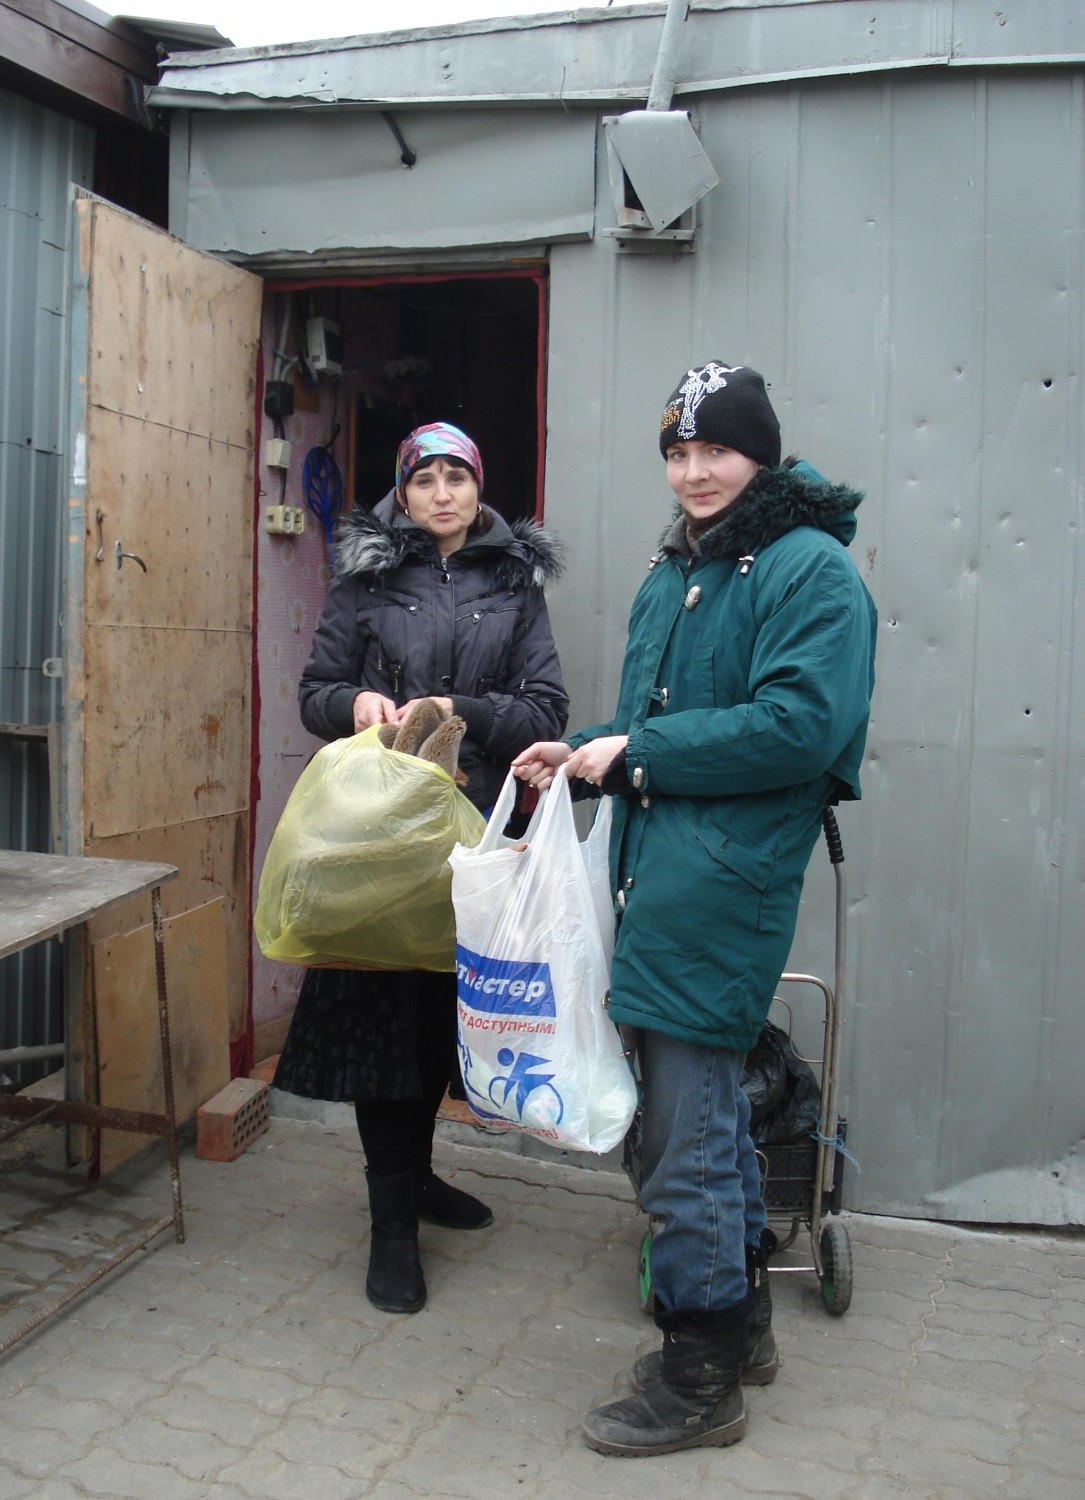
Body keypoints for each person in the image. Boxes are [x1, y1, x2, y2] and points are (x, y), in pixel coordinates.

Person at [512, 361, 876, 1457]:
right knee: (688, 1123)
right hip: (656, 876)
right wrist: (581, 754)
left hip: (722, 885)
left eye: (715, 449)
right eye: (676, 452)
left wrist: (636, 753)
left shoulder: (808, 571)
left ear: (759, 452)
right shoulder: (679, 568)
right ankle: (742, 1330)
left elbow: (799, 729)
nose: (693, 471)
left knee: (689, 1139)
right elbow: (651, 722)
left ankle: (701, 1379)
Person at [275, 420, 569, 1315]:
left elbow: (546, 706)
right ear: (401, 492)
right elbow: (315, 693)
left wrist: (461, 708)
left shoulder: (514, 583)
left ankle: (423, 1176)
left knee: (448, 1020)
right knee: (384, 1024)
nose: (442, 493)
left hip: (474, 835)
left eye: (457, 477)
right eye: (424, 478)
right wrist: (358, 702)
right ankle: (391, 1227)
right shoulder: (366, 578)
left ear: (479, 489)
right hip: (382, 840)